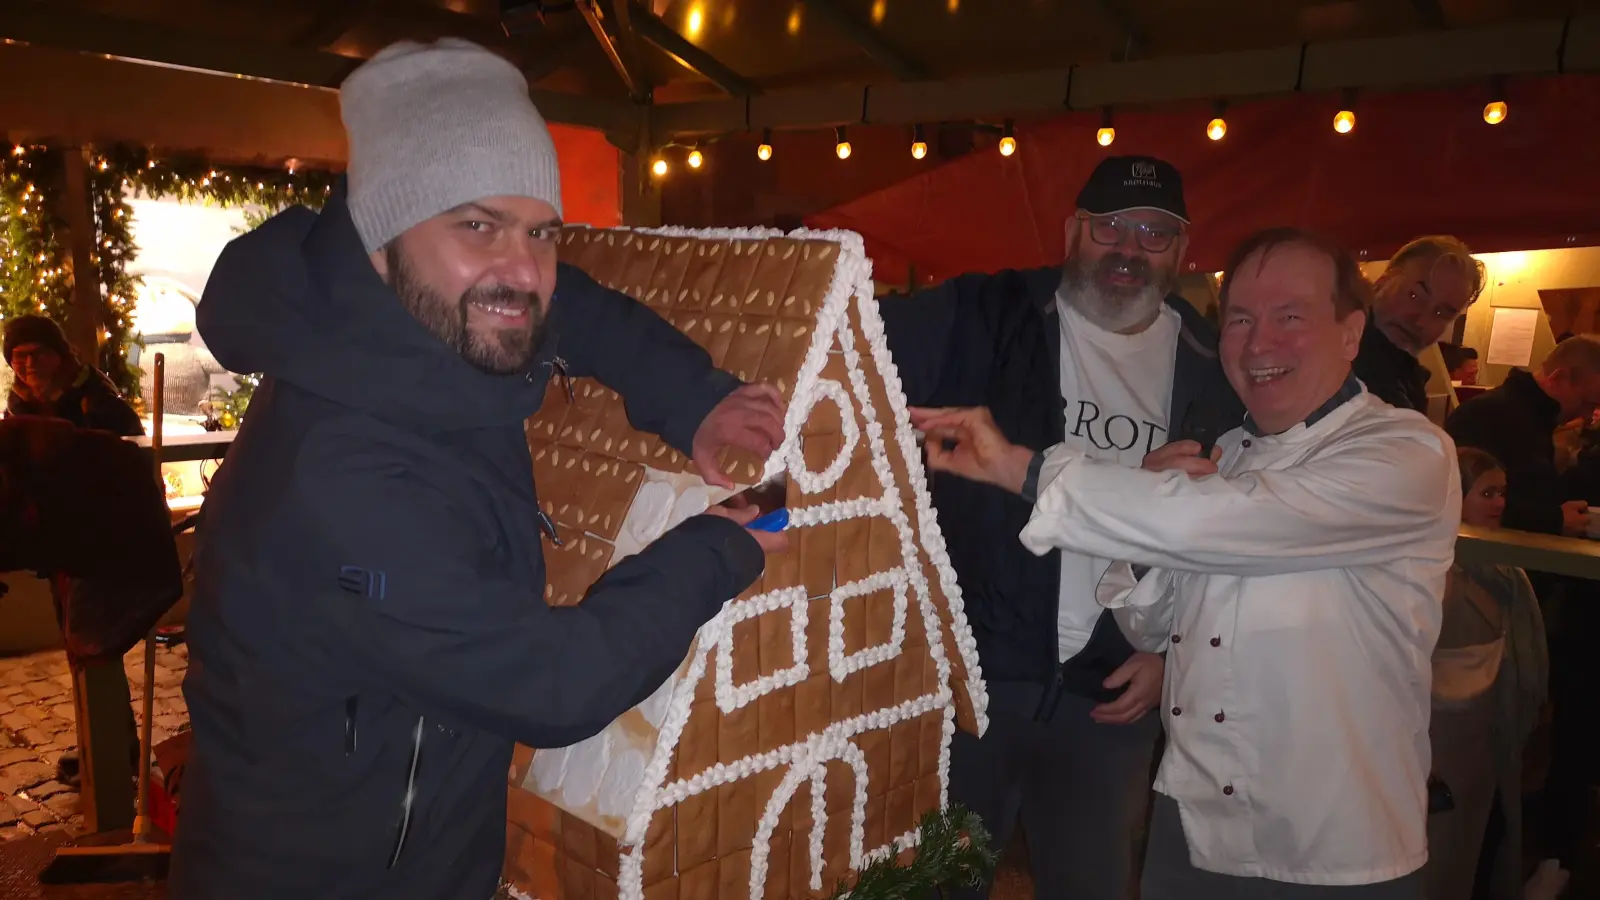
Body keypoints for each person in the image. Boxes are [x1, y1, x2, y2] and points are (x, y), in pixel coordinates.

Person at [169, 39, 786, 899]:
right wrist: (721, 544)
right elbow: (555, 684)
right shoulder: (346, 476)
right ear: (380, 237)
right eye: (476, 223)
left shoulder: (413, 324)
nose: (521, 269)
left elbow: (571, 308)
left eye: (540, 231)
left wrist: (693, 398)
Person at [912, 227, 1459, 897]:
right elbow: (1153, 621)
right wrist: (1149, 531)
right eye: (1240, 321)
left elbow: (1238, 521)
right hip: (1194, 831)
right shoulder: (1226, 449)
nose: (1259, 344)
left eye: (1290, 318)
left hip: (1332, 843)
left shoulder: (1407, 453)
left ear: (1351, 333)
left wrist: (1019, 465)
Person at [878, 155, 1242, 899]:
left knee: (1092, 884)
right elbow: (858, 344)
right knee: (936, 885)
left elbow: (1233, 532)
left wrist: (1174, 653)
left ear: (1181, 249)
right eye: (1110, 226)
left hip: (1113, 690)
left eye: (1153, 233)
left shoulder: (1213, 363)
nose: (1129, 249)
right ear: (1075, 230)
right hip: (975, 680)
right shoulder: (993, 313)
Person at [1424, 448, 1552, 900]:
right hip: (1438, 753)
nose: (1498, 503)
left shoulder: (1502, 566)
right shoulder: (1436, 574)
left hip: (1487, 744)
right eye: (1486, 492)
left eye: (1502, 492)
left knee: (1472, 856)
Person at [1446, 335, 1600, 538]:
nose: (1589, 415)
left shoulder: (1534, 416)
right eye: (1587, 402)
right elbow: (1463, 503)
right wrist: (1553, 521)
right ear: (1559, 378)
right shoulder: (1486, 416)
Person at [1355, 236, 1485, 411]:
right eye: (1415, 296)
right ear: (1383, 280)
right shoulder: (1333, 357)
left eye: (1441, 314)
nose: (1421, 320)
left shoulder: (1406, 377)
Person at [3, 314, 143, 436]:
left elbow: (135, 456)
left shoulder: (97, 402)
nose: (30, 362)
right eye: (20, 355)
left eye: (40, 353)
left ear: (59, 355)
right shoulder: (17, 405)